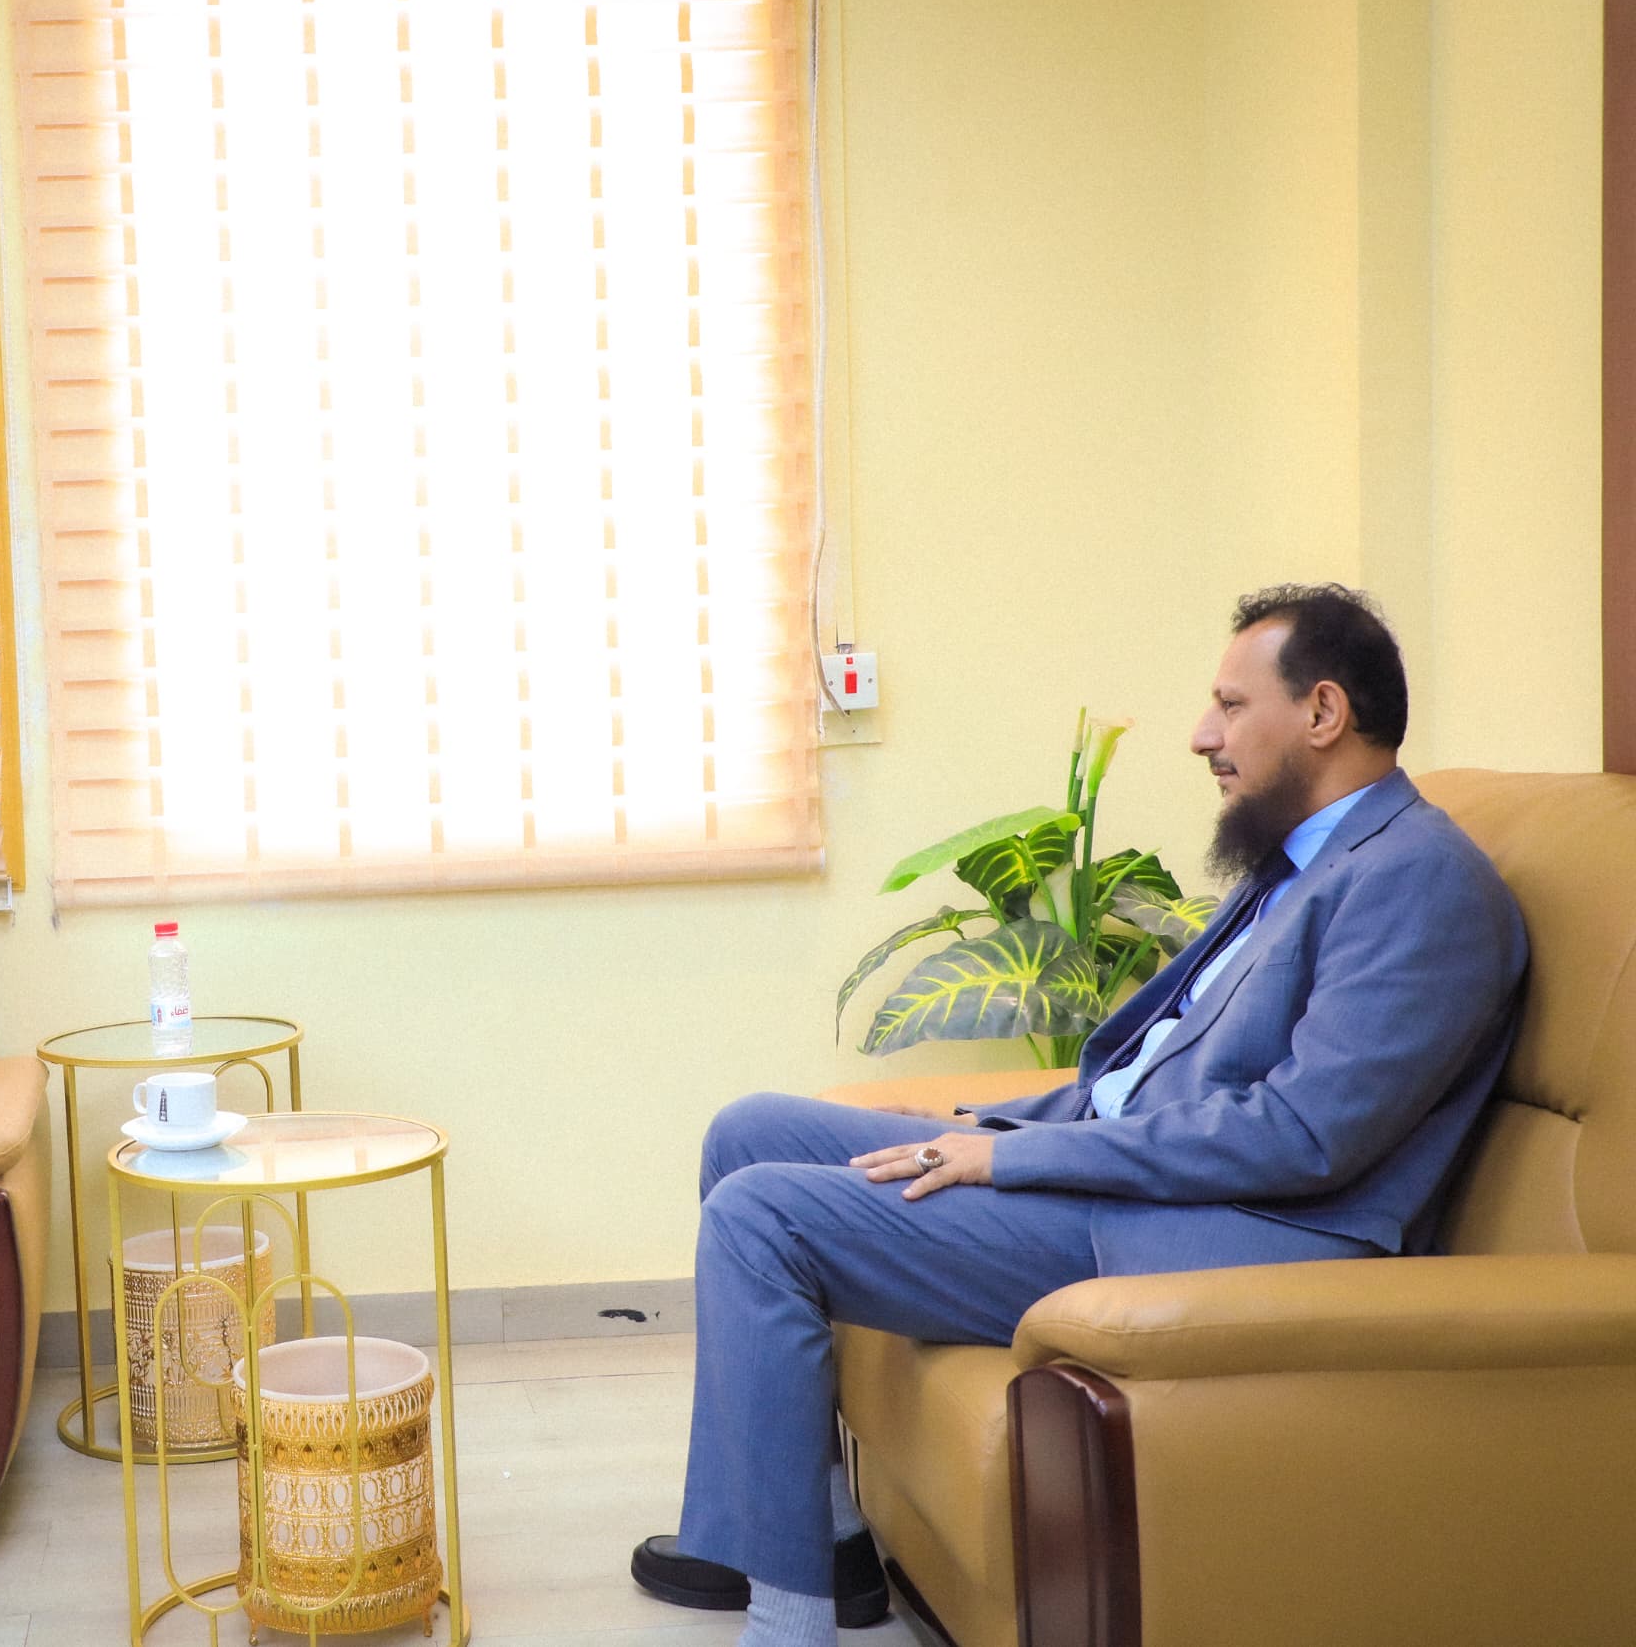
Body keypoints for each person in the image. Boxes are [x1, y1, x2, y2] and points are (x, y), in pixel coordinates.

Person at [630, 585, 1529, 1647]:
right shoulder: (1301, 861)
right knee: (749, 1133)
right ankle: (815, 1535)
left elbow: (1303, 1135)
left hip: (1208, 1232)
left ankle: (789, 1622)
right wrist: (1001, 1128)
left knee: (761, 1216)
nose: (1202, 735)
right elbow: (1146, 1072)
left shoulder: (1419, 882)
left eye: (1230, 705)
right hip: (1123, 1178)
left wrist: (1020, 1162)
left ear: (1323, 711)